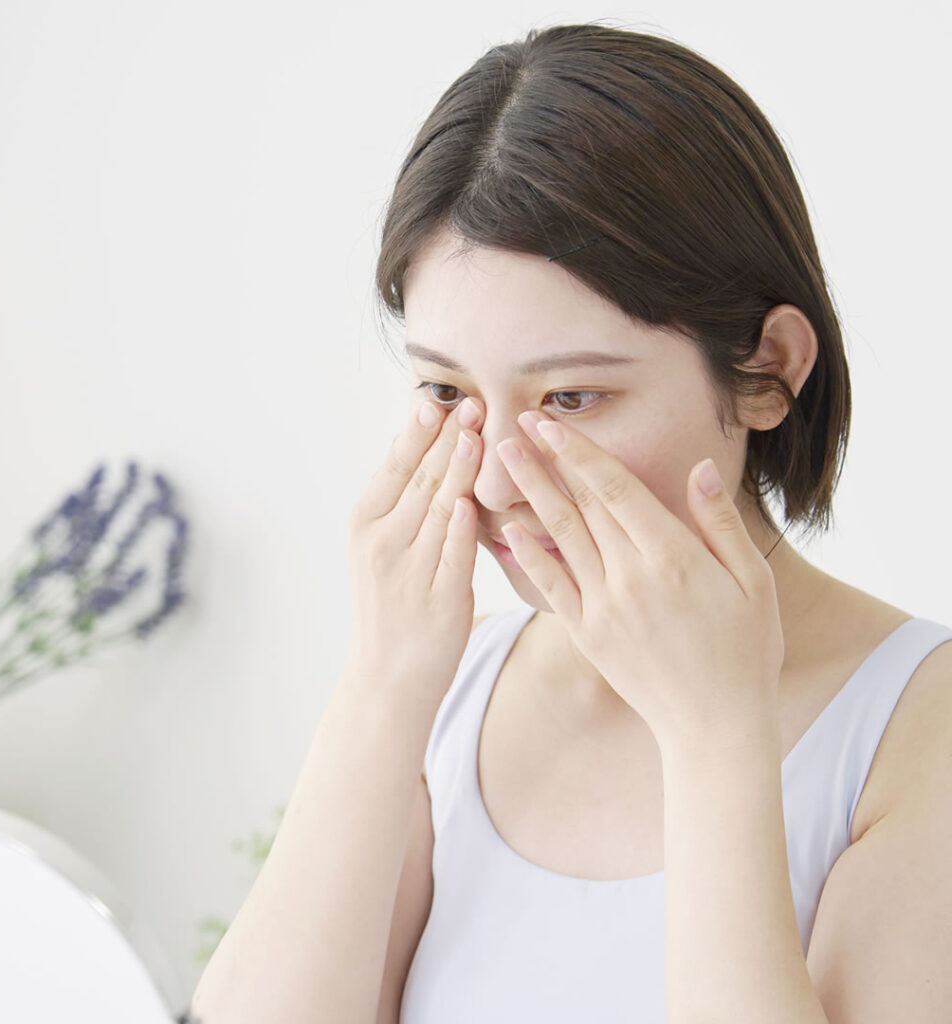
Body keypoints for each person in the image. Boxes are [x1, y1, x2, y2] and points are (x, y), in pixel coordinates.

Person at [192, 21, 952, 1023]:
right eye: (447, 390)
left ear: (768, 368)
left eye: (571, 399)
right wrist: (381, 684)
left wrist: (715, 736)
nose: (496, 478)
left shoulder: (917, 731)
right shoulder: (447, 698)